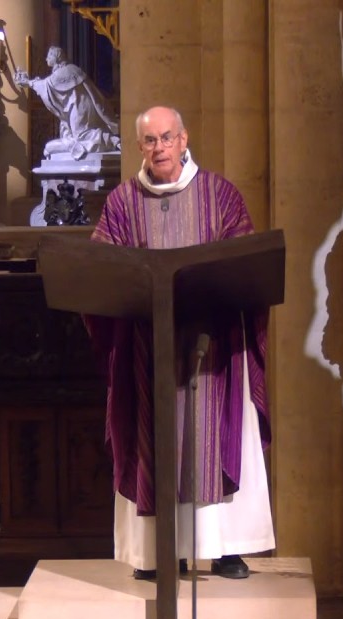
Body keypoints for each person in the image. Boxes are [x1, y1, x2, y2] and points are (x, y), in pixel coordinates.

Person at [86, 105, 274, 580]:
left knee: (214, 436)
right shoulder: (123, 203)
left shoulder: (219, 195)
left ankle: (225, 546)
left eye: (167, 138)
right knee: (154, 439)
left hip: (211, 349)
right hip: (147, 349)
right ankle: (156, 553)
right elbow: (99, 269)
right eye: (150, 141)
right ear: (140, 147)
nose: (160, 148)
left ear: (184, 140)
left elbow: (245, 260)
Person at [14, 46, 121, 160]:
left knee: (82, 136)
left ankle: (111, 140)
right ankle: (107, 140)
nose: (46, 59)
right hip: (79, 106)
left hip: (80, 107)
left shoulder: (65, 71)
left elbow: (46, 85)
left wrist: (27, 82)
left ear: (57, 57)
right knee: (75, 136)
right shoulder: (70, 69)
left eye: (49, 55)